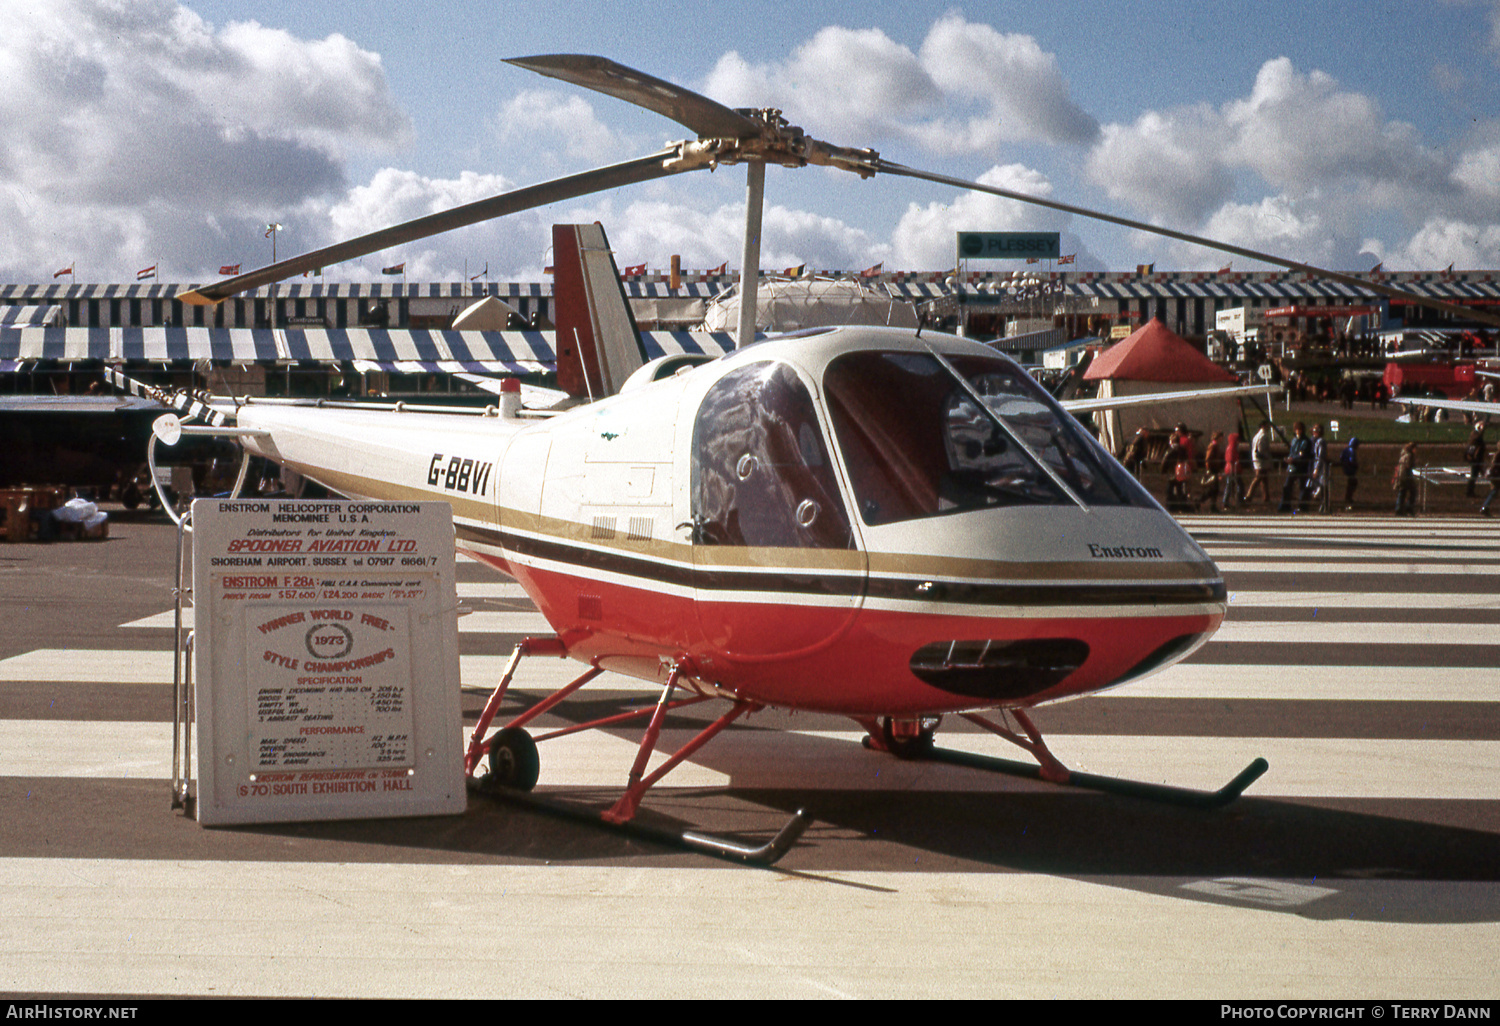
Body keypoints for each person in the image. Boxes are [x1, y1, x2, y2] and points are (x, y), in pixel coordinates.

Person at [1279, 421, 1310, 512]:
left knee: (1302, 486)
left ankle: (1302, 506)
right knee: (1287, 486)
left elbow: (1303, 454)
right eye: (1297, 429)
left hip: (1301, 466)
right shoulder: (1294, 440)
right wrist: (1289, 459)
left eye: (1299, 430)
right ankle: (1285, 505)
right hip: (1293, 466)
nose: (1298, 431)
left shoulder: (1305, 441)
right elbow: (1292, 452)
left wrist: (1294, 459)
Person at [1246, 421, 1274, 505]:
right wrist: (1267, 458)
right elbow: (1261, 450)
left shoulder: (1256, 436)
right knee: (1259, 478)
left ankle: (1266, 497)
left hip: (1257, 460)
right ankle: (1249, 495)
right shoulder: (1263, 436)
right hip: (1262, 461)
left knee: (1264, 479)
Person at [1301, 423, 1327, 512]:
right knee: (1310, 484)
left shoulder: (1321, 441)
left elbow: (1320, 456)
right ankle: (1305, 505)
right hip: (1312, 465)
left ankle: (1324, 506)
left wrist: (1316, 468)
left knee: (1322, 485)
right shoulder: (1312, 440)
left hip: (1318, 467)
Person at [1199, 430, 1224, 513]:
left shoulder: (1216, 446)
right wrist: (1209, 469)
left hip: (1215, 469)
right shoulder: (1213, 446)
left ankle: (1212, 506)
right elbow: (1208, 459)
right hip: (1212, 470)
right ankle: (1201, 501)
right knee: (1213, 489)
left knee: (1214, 489)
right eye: (1221, 437)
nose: (1222, 439)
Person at [1393, 441, 1418, 516]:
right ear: (1413, 448)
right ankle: (1409, 508)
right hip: (1406, 477)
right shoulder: (1410, 456)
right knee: (1414, 492)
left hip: (1400, 477)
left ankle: (1399, 510)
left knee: (1402, 493)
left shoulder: (1403, 455)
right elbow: (1408, 466)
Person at [1221, 429, 1243, 510]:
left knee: (1230, 486)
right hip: (1232, 470)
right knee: (1235, 485)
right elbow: (1231, 459)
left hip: (1231, 469)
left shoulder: (1231, 447)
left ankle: (1226, 501)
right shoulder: (1232, 448)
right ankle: (1236, 501)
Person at [1463, 427, 1487, 498]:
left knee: (1474, 476)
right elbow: (1473, 451)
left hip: (1476, 461)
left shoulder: (1475, 439)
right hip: (1476, 461)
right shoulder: (1477, 440)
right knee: (1474, 476)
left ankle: (1470, 491)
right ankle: (1469, 492)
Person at [1339, 437, 1360, 510]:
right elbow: (1352, 461)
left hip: (1345, 470)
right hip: (1350, 471)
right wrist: (1356, 465)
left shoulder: (1345, 449)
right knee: (1351, 485)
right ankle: (1348, 501)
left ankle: (1348, 500)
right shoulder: (1352, 451)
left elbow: (1341, 458)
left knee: (1350, 485)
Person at [1481, 449, 1500, 517]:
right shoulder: (1498, 454)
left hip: (1495, 475)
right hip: (1497, 475)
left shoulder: (1497, 454)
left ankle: (1485, 506)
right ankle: (1485, 506)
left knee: (1494, 491)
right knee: (1494, 491)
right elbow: (1494, 465)